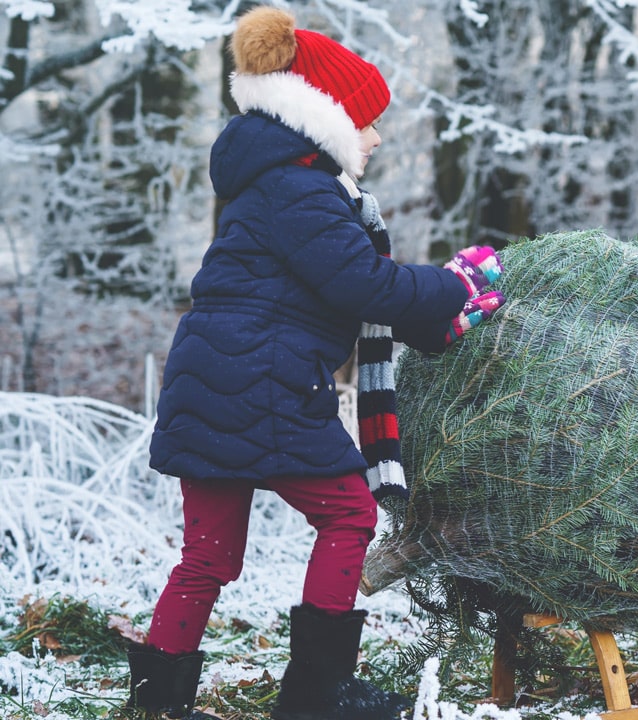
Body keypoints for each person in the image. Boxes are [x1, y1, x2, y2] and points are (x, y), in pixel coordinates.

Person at [127, 7, 505, 719]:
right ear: (325, 119)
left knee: (208, 557)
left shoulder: (268, 181)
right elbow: (362, 283)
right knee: (348, 514)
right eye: (365, 121)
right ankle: (317, 695)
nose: (377, 136)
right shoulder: (301, 188)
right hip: (261, 382)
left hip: (210, 380)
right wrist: (453, 287)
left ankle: (156, 704)